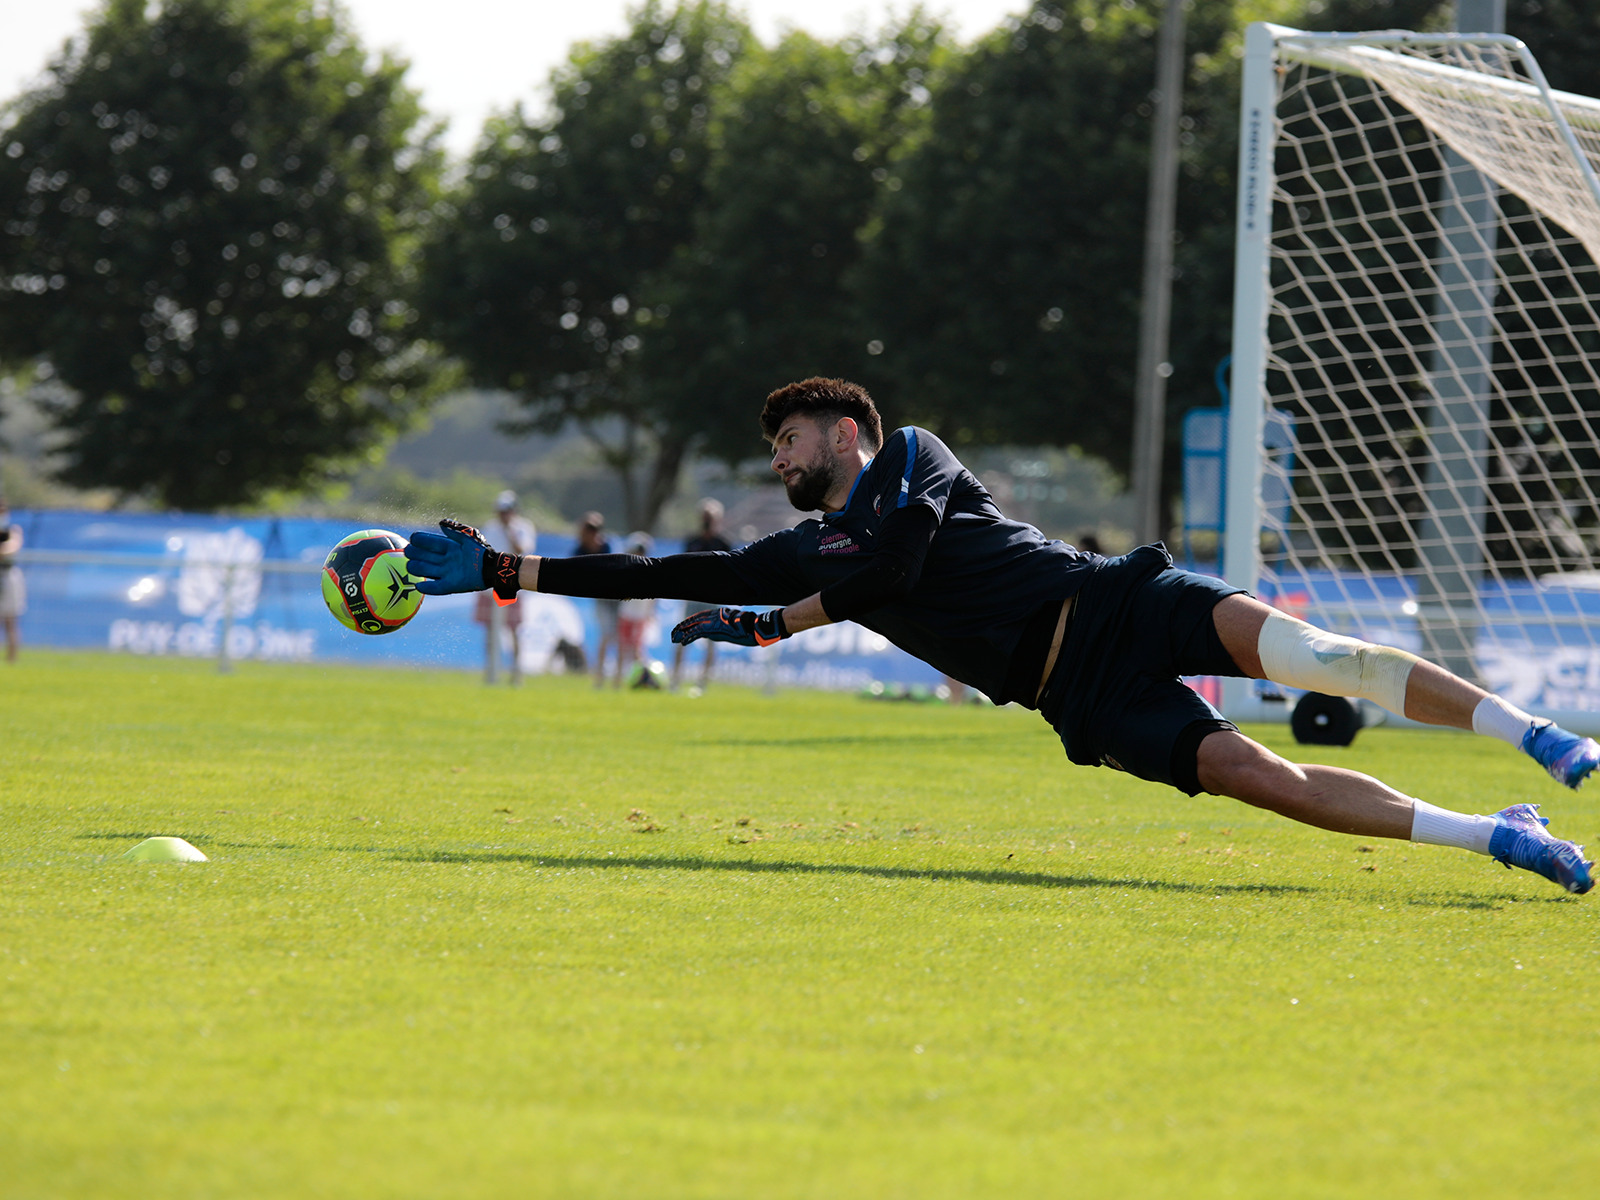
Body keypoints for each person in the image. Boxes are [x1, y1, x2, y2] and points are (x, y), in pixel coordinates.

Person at [407, 377, 1598, 896]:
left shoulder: (917, 454)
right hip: (1069, 693)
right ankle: (1496, 837)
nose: (778, 459)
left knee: (1329, 660)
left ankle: (1531, 732)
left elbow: (902, 562)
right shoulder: (803, 549)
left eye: (792, 440)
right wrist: (512, 571)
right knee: (1260, 777)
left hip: (1120, 598)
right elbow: (660, 567)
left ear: (846, 430)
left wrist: (792, 613)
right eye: (773, 451)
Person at [670, 498, 735, 693]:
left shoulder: (723, 543)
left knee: (712, 640)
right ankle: (676, 680)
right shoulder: (693, 542)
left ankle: (702, 682)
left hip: (713, 597)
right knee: (683, 636)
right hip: (693, 595)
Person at [474, 490, 536, 685]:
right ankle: (491, 673)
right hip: (490, 587)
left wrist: (510, 532)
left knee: (514, 630)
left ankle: (516, 674)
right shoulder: (490, 528)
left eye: (507, 510)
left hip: (512, 586)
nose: (504, 514)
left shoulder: (523, 527)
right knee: (490, 632)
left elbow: (523, 551)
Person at [571, 512, 621, 688]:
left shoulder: (606, 545)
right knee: (606, 636)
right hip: (602, 598)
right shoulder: (579, 549)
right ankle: (600, 676)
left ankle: (619, 677)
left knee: (621, 638)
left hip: (619, 597)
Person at [616, 532, 657, 685]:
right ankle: (618, 680)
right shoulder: (626, 569)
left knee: (637, 650)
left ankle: (642, 679)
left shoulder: (650, 570)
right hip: (626, 614)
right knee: (623, 648)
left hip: (640, 616)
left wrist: (650, 613)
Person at [0, 500, 24, 663]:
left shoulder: (12, 530)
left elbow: (11, 547)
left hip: (7, 576)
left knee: (10, 621)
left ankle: (11, 660)